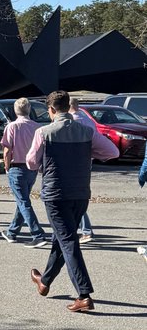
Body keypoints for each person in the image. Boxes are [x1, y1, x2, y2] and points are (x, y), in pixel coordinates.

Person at [26, 89, 119, 312]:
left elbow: (30, 161)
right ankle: (45, 281)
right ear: (68, 107)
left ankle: (84, 294)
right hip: (80, 193)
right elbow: (112, 152)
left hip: (56, 194)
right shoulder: (86, 131)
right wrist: (88, 154)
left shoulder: (44, 132)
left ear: (50, 110)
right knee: (63, 238)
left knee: (68, 241)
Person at [0, 97, 48, 247]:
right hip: (31, 168)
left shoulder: (12, 127)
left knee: (23, 201)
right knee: (23, 200)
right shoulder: (37, 127)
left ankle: (37, 233)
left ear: (15, 110)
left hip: (17, 166)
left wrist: (6, 166)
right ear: (29, 109)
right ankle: (12, 232)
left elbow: (7, 150)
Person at [69, 98, 96, 243]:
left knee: (73, 199)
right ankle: (84, 230)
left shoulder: (70, 122)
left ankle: (86, 230)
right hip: (86, 163)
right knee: (79, 197)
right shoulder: (89, 121)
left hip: (71, 164)